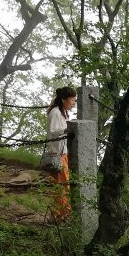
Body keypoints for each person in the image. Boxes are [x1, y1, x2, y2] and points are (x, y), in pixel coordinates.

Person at [40, 86, 77, 222]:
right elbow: (55, 131)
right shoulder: (55, 112)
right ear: (63, 100)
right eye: (72, 100)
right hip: (58, 155)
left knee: (63, 185)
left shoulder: (62, 113)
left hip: (62, 154)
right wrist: (69, 127)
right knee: (62, 186)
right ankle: (61, 216)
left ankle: (59, 215)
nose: (74, 103)